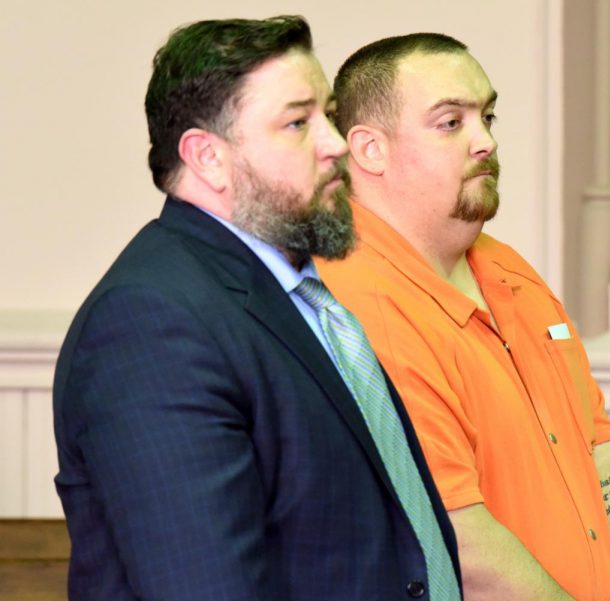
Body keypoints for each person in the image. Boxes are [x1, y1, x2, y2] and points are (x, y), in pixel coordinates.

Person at [53, 16, 460, 601]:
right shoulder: (151, 323)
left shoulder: (291, 293)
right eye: (298, 122)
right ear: (208, 157)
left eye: (328, 112)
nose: (336, 142)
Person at [317, 33, 610, 601]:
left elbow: (598, 446)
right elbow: (462, 542)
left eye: (487, 115)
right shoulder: (356, 307)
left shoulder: (508, 267)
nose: (486, 141)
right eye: (450, 122)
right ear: (369, 149)